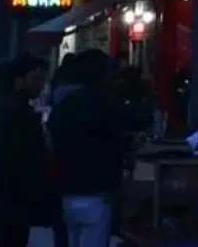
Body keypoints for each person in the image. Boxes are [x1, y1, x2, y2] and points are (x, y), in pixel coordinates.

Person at [48, 49, 135, 247]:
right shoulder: (102, 104)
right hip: (97, 190)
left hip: (66, 188)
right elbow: (132, 118)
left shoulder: (63, 105)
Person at [0, 55, 54, 247]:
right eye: (35, 79)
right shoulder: (11, 111)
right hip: (12, 195)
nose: (40, 85)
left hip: (13, 196)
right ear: (19, 80)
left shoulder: (14, 108)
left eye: (42, 80)